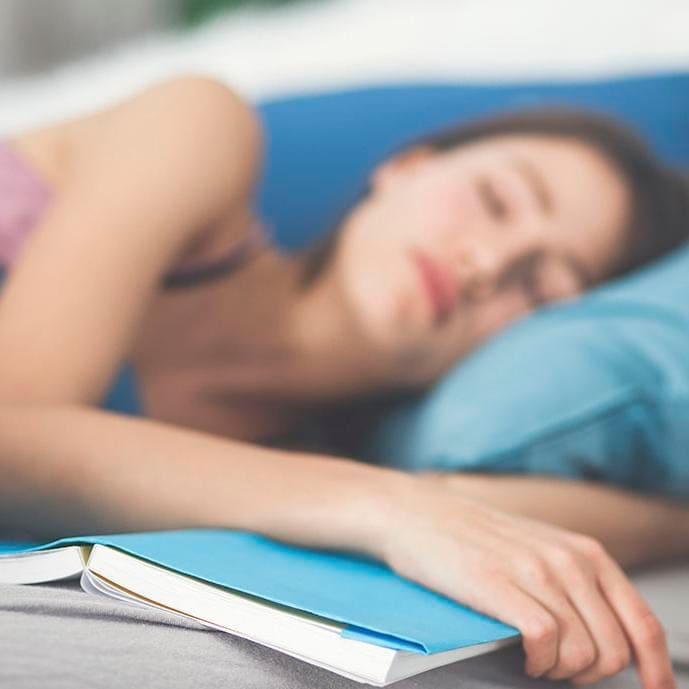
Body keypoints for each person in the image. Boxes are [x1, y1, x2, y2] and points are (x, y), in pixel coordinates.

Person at [0, 75, 688, 688]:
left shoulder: (310, 468)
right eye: (495, 200)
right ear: (406, 167)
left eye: (539, 285)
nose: (485, 262)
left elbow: (479, 514)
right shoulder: (199, 127)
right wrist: (387, 510)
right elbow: (13, 428)